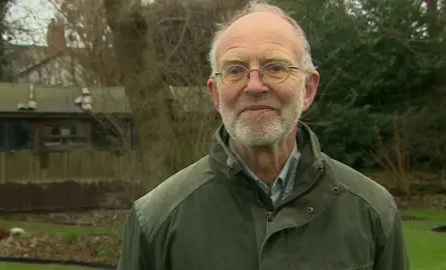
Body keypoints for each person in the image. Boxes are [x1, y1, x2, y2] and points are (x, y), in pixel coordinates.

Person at [117, 1, 410, 269]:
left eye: (275, 67)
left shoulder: (371, 210)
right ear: (216, 94)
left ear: (308, 89)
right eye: (235, 70)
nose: (254, 85)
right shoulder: (155, 219)